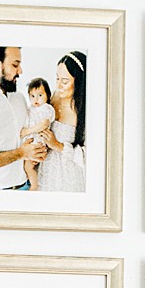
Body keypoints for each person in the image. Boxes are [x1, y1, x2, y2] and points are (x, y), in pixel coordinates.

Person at [0, 44, 45, 190]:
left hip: (26, 187)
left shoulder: (19, 98)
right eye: (15, 65)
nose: (20, 71)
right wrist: (21, 153)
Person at [35, 52, 87, 194]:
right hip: (46, 172)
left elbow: (92, 157)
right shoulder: (53, 97)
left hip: (69, 179)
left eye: (64, 81)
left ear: (79, 81)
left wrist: (58, 146)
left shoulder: (86, 110)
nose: (58, 85)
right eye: (57, 78)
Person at [19, 77, 55, 190]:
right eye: (32, 96)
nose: (36, 99)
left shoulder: (46, 108)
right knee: (28, 165)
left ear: (48, 95)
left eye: (40, 95)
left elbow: (43, 124)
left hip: (38, 141)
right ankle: (32, 183)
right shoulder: (31, 109)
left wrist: (27, 132)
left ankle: (34, 187)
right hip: (31, 141)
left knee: (28, 166)